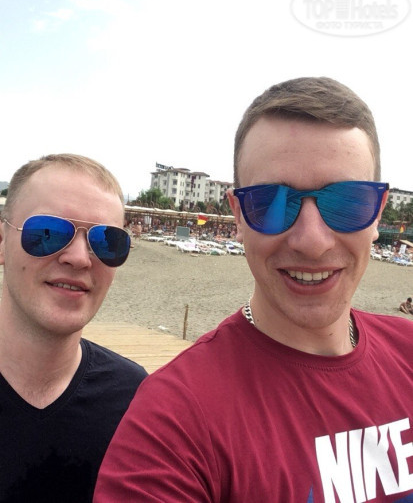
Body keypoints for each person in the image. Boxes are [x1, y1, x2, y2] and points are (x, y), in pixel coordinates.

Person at [93, 77, 413, 502]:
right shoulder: (175, 421)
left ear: (377, 213)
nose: (312, 241)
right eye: (273, 203)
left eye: (347, 202)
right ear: (239, 216)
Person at [0, 153, 147, 502]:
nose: (79, 258)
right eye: (48, 233)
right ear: (2, 242)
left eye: (106, 241)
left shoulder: (135, 401)